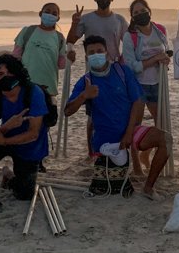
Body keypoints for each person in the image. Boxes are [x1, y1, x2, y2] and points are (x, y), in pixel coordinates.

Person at [64, 35, 168, 200]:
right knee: (111, 187)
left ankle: (148, 188)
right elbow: (67, 111)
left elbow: (137, 101)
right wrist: (84, 95)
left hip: (130, 132)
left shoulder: (122, 71)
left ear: (106, 52)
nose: (96, 55)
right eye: (91, 53)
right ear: (86, 57)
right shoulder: (86, 81)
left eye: (99, 51)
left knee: (165, 140)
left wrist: (129, 133)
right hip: (106, 141)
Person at [0, 54, 49, 215]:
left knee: (25, 194)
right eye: (0, 74)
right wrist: (7, 126)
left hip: (28, 145)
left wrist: (4, 140)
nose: (6, 77)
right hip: (4, 138)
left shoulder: (33, 93)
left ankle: (8, 176)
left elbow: (33, 134)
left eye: (10, 73)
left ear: (18, 74)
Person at [66, 0, 129, 157]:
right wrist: (74, 23)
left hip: (115, 71)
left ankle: (119, 145)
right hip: (93, 71)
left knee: (117, 109)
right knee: (92, 114)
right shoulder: (86, 19)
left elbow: (129, 43)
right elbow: (71, 40)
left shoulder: (119, 20)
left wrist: (124, 59)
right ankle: (91, 152)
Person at [12, 2, 65, 172]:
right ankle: (22, 158)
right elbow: (15, 57)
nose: (50, 14)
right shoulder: (27, 32)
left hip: (48, 88)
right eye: (47, 11)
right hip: (26, 87)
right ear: (40, 13)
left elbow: (62, 64)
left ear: (58, 17)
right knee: (24, 123)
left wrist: (70, 55)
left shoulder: (59, 38)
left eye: (54, 13)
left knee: (43, 126)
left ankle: (39, 160)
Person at [121, 0, 170, 174]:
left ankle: (147, 155)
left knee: (160, 123)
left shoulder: (160, 30)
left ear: (149, 11)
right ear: (132, 17)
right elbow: (131, 65)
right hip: (138, 85)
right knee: (135, 124)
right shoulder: (130, 37)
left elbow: (167, 51)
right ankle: (136, 166)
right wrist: (154, 59)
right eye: (136, 13)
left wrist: (165, 59)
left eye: (143, 11)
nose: (140, 14)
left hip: (157, 83)